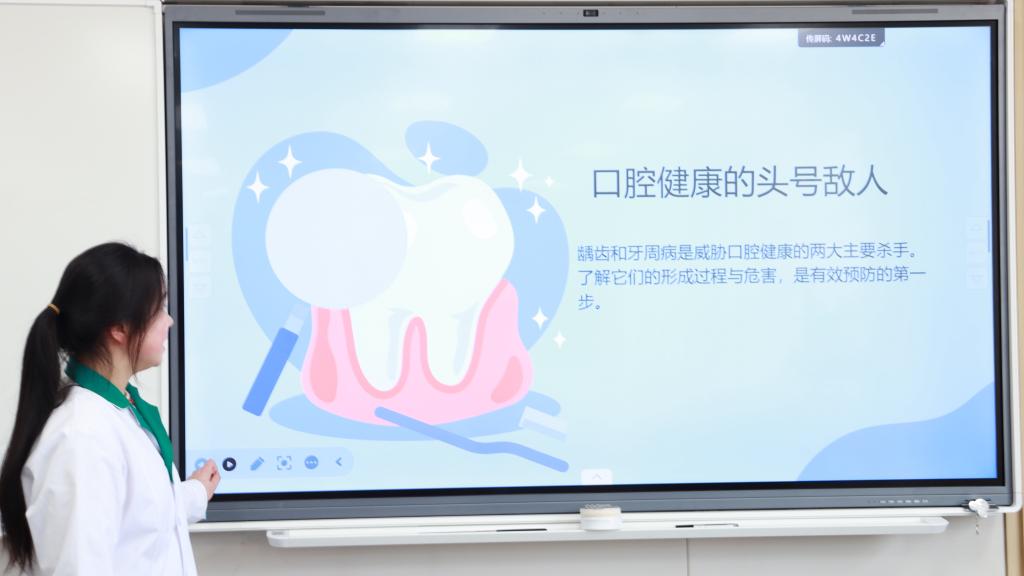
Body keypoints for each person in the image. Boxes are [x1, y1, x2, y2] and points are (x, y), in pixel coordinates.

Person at [0, 242, 220, 575]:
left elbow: (137, 517)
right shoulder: (82, 437)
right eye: (159, 309)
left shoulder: (115, 413)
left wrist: (193, 494)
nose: (170, 321)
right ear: (119, 328)